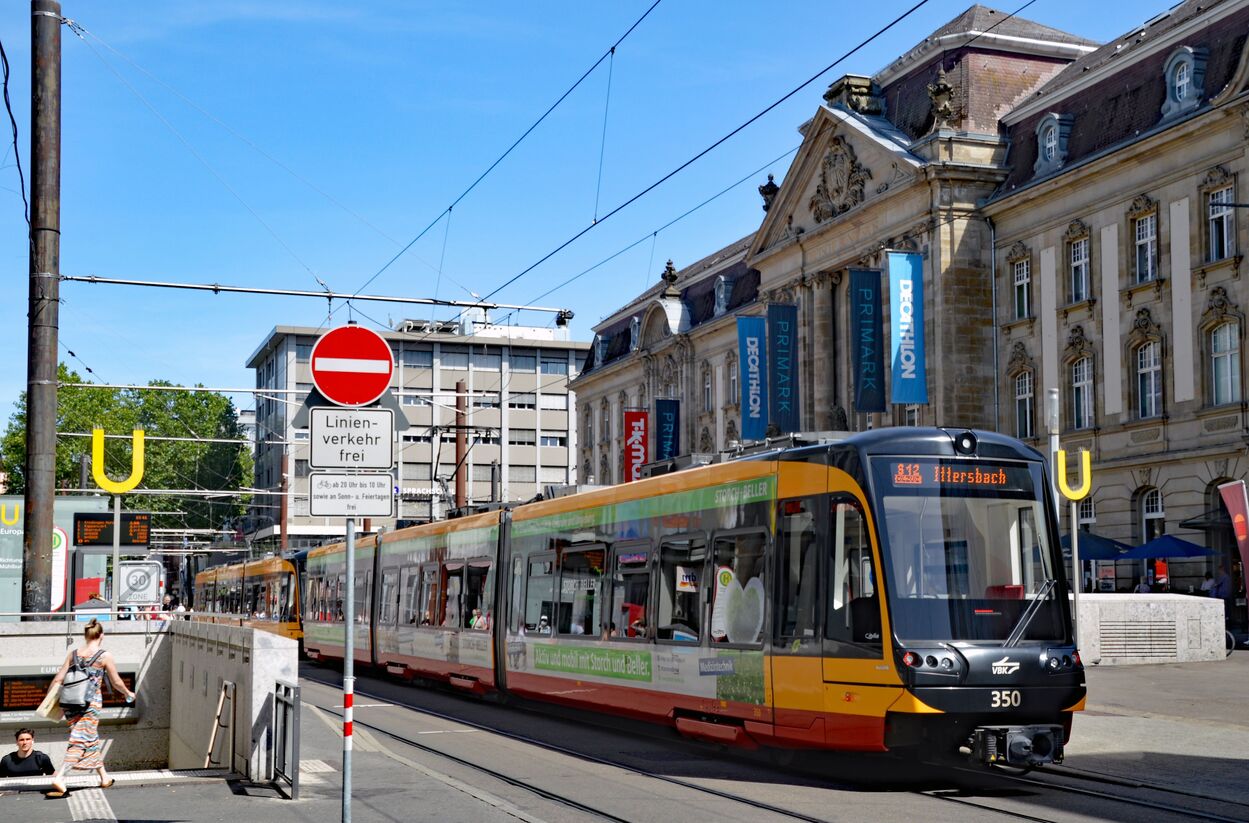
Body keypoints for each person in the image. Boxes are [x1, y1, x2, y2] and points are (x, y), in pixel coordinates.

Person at [42, 618, 137, 797]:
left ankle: (104, 777)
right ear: (101, 635)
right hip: (89, 703)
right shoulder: (104, 655)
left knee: (88, 737)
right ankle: (60, 777)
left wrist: (50, 700)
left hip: (70, 703)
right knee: (80, 740)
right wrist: (127, 693)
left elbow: (58, 678)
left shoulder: (74, 654)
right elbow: (116, 681)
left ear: (86, 635)